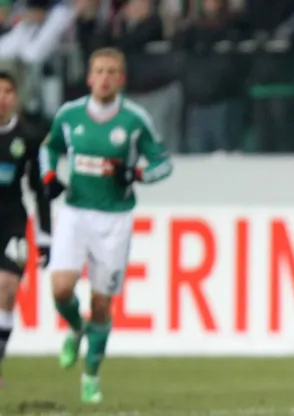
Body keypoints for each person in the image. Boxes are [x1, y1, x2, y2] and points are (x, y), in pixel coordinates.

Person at [39, 47, 173, 403]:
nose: (105, 78)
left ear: (121, 79)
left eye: (112, 71)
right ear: (89, 77)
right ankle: (75, 328)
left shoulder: (134, 120)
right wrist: (49, 175)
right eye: (99, 71)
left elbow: (163, 163)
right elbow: (48, 148)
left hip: (115, 218)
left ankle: (91, 376)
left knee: (101, 303)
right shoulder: (70, 115)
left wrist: (138, 173)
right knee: (61, 289)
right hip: (75, 212)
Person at [0, 71, 51, 386]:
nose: (1, 98)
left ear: (15, 97)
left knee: (6, 287)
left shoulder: (29, 137)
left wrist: (46, 240)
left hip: (11, 221)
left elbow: (40, 190)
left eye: (7, 91)